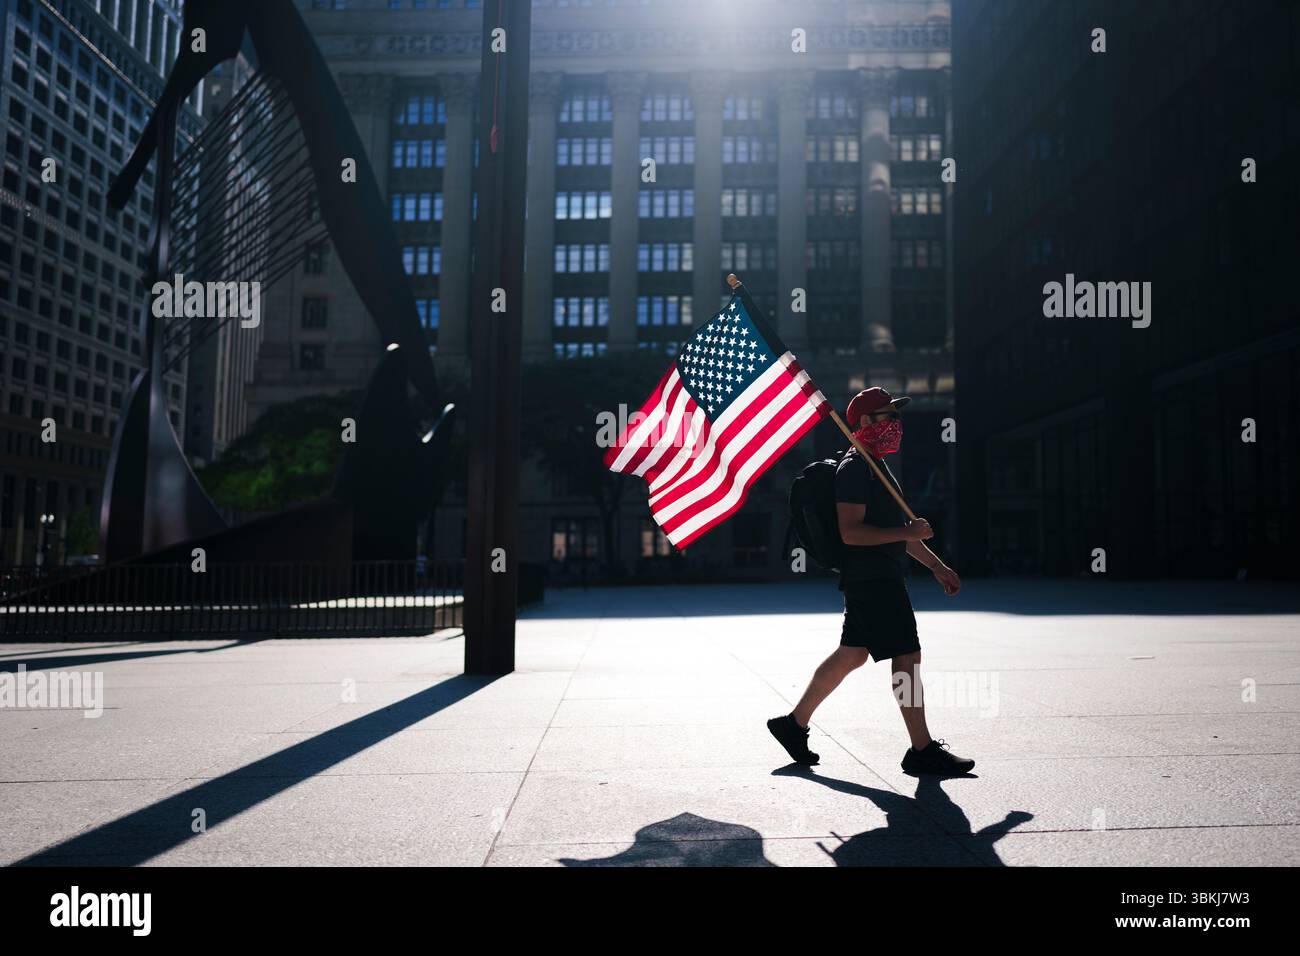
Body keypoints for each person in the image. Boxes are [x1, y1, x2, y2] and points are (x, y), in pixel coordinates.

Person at [767, 387, 975, 776]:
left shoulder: (875, 465)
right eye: (887, 415)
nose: (895, 423)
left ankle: (792, 725)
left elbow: (897, 533)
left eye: (896, 415)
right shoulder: (855, 468)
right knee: (907, 659)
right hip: (875, 581)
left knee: (853, 653)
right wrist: (907, 530)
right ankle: (922, 749)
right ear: (863, 422)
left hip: (873, 578)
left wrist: (936, 566)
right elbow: (852, 533)